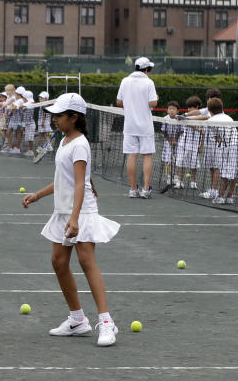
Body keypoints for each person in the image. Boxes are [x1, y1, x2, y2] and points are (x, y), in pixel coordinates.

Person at [21, 92, 121, 347]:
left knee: (87, 261)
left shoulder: (79, 144)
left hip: (81, 211)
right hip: (64, 210)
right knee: (58, 261)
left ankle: (107, 322)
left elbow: (80, 184)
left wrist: (75, 219)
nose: (54, 119)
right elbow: (61, 180)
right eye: (54, 115)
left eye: (59, 116)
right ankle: (77, 319)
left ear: (74, 117)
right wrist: (38, 195)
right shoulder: (65, 141)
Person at [116, 57, 158, 198]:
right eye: (149, 70)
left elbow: (119, 101)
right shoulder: (149, 82)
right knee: (147, 156)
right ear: (146, 70)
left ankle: (133, 189)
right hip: (145, 126)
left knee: (131, 156)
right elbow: (153, 103)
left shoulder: (125, 81)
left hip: (129, 126)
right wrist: (156, 98)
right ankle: (146, 190)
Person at [207, 98, 238, 205]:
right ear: (222, 108)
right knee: (234, 172)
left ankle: (221, 196)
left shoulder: (210, 121)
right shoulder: (228, 117)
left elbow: (217, 137)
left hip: (228, 148)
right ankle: (230, 195)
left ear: (210, 111)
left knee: (225, 173)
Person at [175, 97, 203, 190]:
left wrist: (201, 146)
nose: (189, 109)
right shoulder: (185, 117)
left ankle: (193, 182)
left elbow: (203, 133)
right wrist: (196, 128)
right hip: (184, 144)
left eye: (191, 107)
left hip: (195, 145)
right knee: (182, 164)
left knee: (194, 165)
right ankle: (179, 181)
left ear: (197, 107)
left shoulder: (202, 117)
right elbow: (183, 122)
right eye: (188, 107)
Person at [159, 101, 183, 188]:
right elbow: (164, 131)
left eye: (174, 109)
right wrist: (170, 141)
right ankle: (169, 177)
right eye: (170, 109)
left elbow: (181, 130)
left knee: (177, 160)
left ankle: (176, 178)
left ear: (177, 111)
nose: (171, 111)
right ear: (167, 110)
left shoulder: (179, 119)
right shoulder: (165, 119)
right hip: (167, 143)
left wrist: (175, 140)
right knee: (168, 160)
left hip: (178, 142)